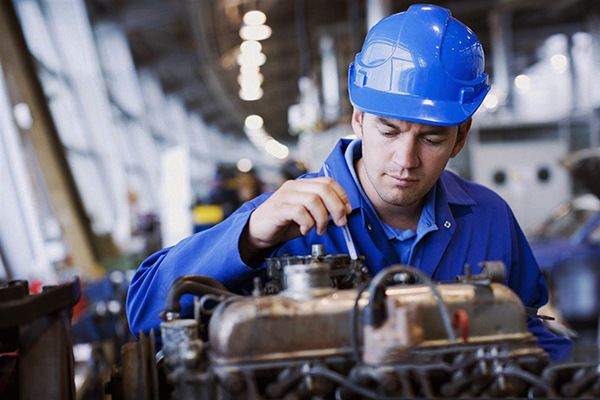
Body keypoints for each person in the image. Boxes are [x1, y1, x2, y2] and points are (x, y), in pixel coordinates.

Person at [127, 4, 572, 361]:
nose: (406, 159)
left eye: (432, 138)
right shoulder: (284, 222)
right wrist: (250, 236)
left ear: (461, 138)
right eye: (389, 130)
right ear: (358, 118)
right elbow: (144, 311)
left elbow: (526, 328)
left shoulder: (490, 217)